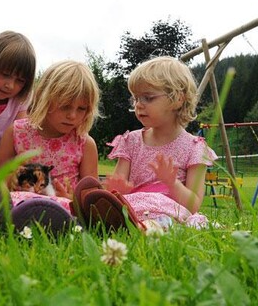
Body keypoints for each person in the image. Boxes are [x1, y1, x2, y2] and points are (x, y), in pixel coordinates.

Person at [73, 56, 217, 232]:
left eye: (148, 98)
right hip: (132, 207)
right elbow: (118, 185)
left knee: (162, 222)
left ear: (178, 99)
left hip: (169, 211)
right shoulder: (131, 141)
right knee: (112, 209)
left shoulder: (195, 148)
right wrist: (115, 189)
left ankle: (141, 228)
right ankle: (94, 218)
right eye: (135, 99)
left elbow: (193, 205)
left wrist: (172, 183)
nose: (138, 105)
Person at [0, 60, 101, 235]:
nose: (72, 115)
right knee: (13, 202)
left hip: (62, 207)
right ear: (45, 98)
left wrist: (71, 199)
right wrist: (12, 177)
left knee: (63, 211)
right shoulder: (17, 131)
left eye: (81, 109)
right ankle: (5, 219)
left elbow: (90, 199)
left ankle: (49, 225)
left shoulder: (85, 144)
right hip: (21, 201)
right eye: (65, 106)